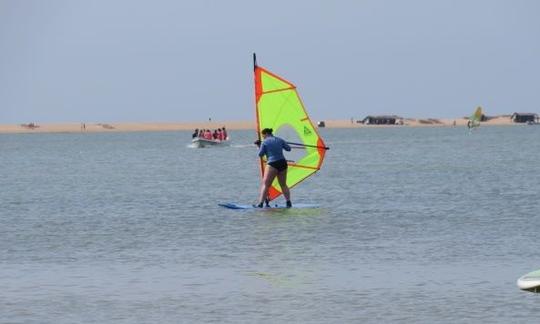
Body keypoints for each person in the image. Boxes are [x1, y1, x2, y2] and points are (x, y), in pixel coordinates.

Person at [254, 128, 292, 208]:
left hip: (272, 164)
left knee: (266, 185)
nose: (263, 137)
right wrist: (282, 144)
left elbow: (260, 154)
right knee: (283, 184)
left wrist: (259, 146)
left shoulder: (265, 142)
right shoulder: (280, 140)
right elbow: (289, 149)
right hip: (282, 163)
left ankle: (260, 204)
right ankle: (288, 202)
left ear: (266, 134)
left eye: (263, 136)